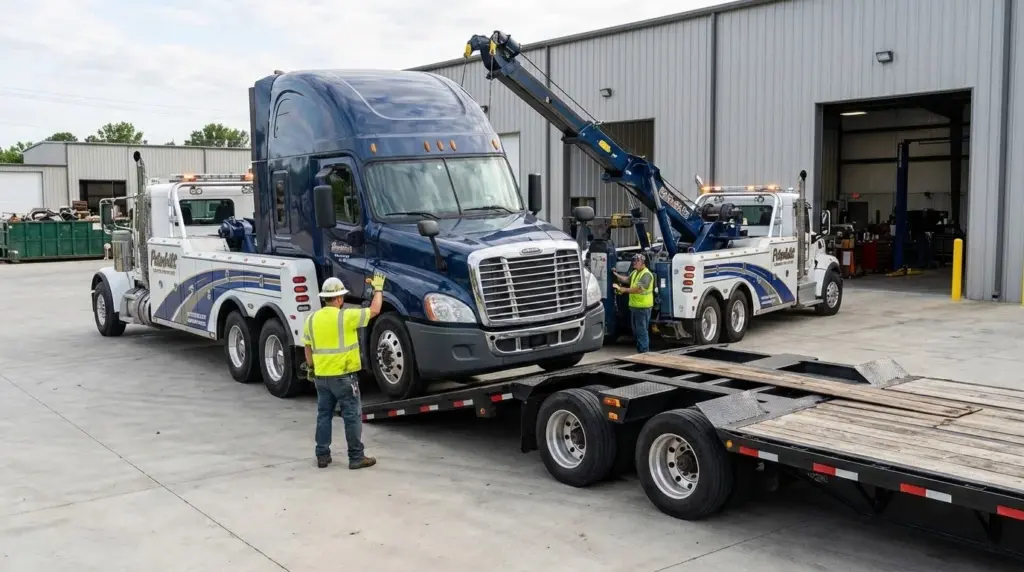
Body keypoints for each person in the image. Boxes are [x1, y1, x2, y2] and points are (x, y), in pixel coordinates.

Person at [303, 271, 386, 469]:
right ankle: (356, 457)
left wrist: (311, 368)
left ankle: (322, 456)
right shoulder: (345, 316)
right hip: (344, 378)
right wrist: (378, 289)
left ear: (324, 298)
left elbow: (308, 349)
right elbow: (374, 310)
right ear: (339, 298)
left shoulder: (311, 320)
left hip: (321, 378)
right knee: (351, 416)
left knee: (324, 415)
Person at [612, 253, 655, 353]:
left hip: (643, 308)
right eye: (634, 261)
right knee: (636, 331)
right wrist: (616, 275)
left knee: (641, 331)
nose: (634, 263)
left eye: (636, 261)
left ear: (643, 263)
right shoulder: (635, 273)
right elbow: (627, 279)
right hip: (635, 307)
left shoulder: (646, 275)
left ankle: (644, 352)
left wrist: (622, 289)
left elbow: (638, 289)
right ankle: (640, 350)